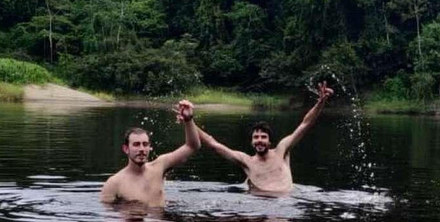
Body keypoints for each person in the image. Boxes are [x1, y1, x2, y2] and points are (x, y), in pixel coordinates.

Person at [195, 81, 334, 194]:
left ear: (269, 141)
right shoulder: (246, 161)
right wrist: (189, 121)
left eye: (263, 137)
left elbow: (305, 124)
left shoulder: (282, 150)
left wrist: (320, 103)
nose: (259, 140)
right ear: (252, 142)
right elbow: (214, 145)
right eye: (256, 137)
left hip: (286, 204)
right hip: (259, 204)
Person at [100, 100, 201, 206]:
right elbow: (108, 218)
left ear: (150, 147)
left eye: (145, 144)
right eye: (136, 144)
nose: (142, 149)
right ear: (126, 149)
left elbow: (192, 146)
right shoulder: (114, 183)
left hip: (160, 220)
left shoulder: (160, 166)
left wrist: (188, 120)